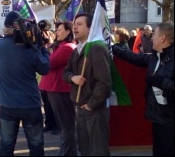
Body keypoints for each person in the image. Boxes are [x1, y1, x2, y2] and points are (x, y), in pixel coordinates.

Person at [0, 11, 50, 156]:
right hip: (30, 104)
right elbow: (44, 69)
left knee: (6, 144)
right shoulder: (30, 48)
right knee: (36, 145)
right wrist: (42, 47)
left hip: (7, 104)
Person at [112, 22, 174, 156]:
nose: (151, 38)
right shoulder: (154, 57)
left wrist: (162, 82)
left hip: (170, 119)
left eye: (154, 34)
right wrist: (112, 48)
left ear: (162, 38)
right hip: (157, 116)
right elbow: (133, 57)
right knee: (158, 151)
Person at [63, 13, 112, 156]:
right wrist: (73, 77)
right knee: (84, 149)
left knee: (98, 150)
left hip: (94, 110)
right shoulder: (77, 49)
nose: (75, 27)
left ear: (90, 28)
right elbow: (65, 73)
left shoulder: (97, 49)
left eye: (79, 24)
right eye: (74, 24)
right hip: (79, 107)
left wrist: (91, 104)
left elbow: (104, 82)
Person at [40, 21, 78, 155]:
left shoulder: (67, 47)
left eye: (60, 30)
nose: (56, 32)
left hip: (60, 90)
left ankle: (68, 153)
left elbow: (48, 64)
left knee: (66, 127)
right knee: (63, 126)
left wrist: (44, 48)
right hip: (55, 89)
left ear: (68, 32)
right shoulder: (61, 46)